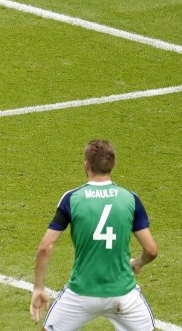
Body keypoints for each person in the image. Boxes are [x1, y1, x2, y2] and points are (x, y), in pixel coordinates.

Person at [30, 139, 159, 331]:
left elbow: (45, 247)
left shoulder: (72, 198)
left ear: (86, 165)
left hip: (81, 294)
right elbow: (151, 250)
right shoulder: (130, 198)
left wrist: (39, 287)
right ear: (113, 166)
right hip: (123, 295)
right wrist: (137, 263)